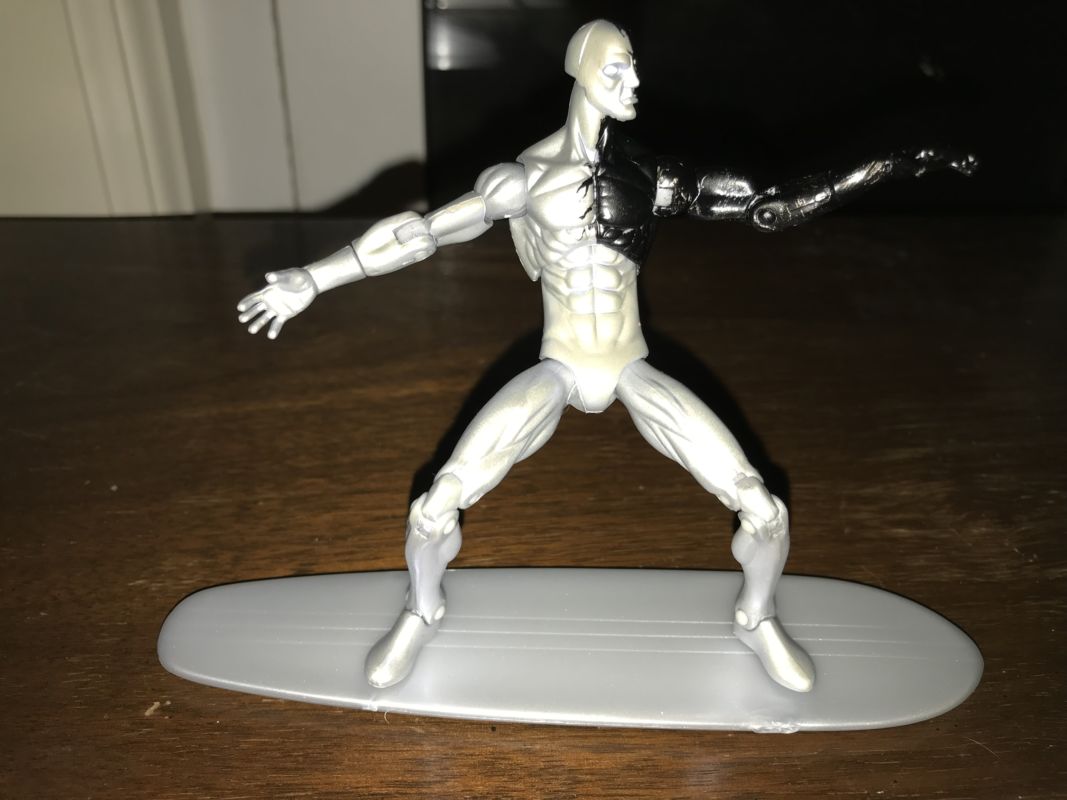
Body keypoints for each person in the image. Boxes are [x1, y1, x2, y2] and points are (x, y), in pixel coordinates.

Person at [237, 20, 975, 692]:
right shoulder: (522, 180)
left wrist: (889, 162)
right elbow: (420, 235)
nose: (635, 82)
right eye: (618, 68)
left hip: (627, 363)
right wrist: (314, 279)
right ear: (582, 72)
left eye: (635, 68)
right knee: (434, 510)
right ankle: (421, 610)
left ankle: (757, 618)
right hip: (560, 366)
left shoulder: (648, 178)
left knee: (762, 507)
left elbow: (770, 203)